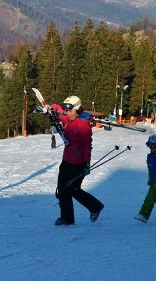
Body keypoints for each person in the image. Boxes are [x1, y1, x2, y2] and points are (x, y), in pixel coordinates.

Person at [50, 95, 104, 226]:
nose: (67, 113)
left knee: (73, 189)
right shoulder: (69, 119)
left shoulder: (83, 126)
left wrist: (86, 164)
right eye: (66, 110)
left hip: (78, 163)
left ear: (77, 109)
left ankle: (95, 206)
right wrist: (49, 108)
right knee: (62, 188)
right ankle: (66, 218)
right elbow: (57, 110)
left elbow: (87, 147)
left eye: (70, 110)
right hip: (67, 160)